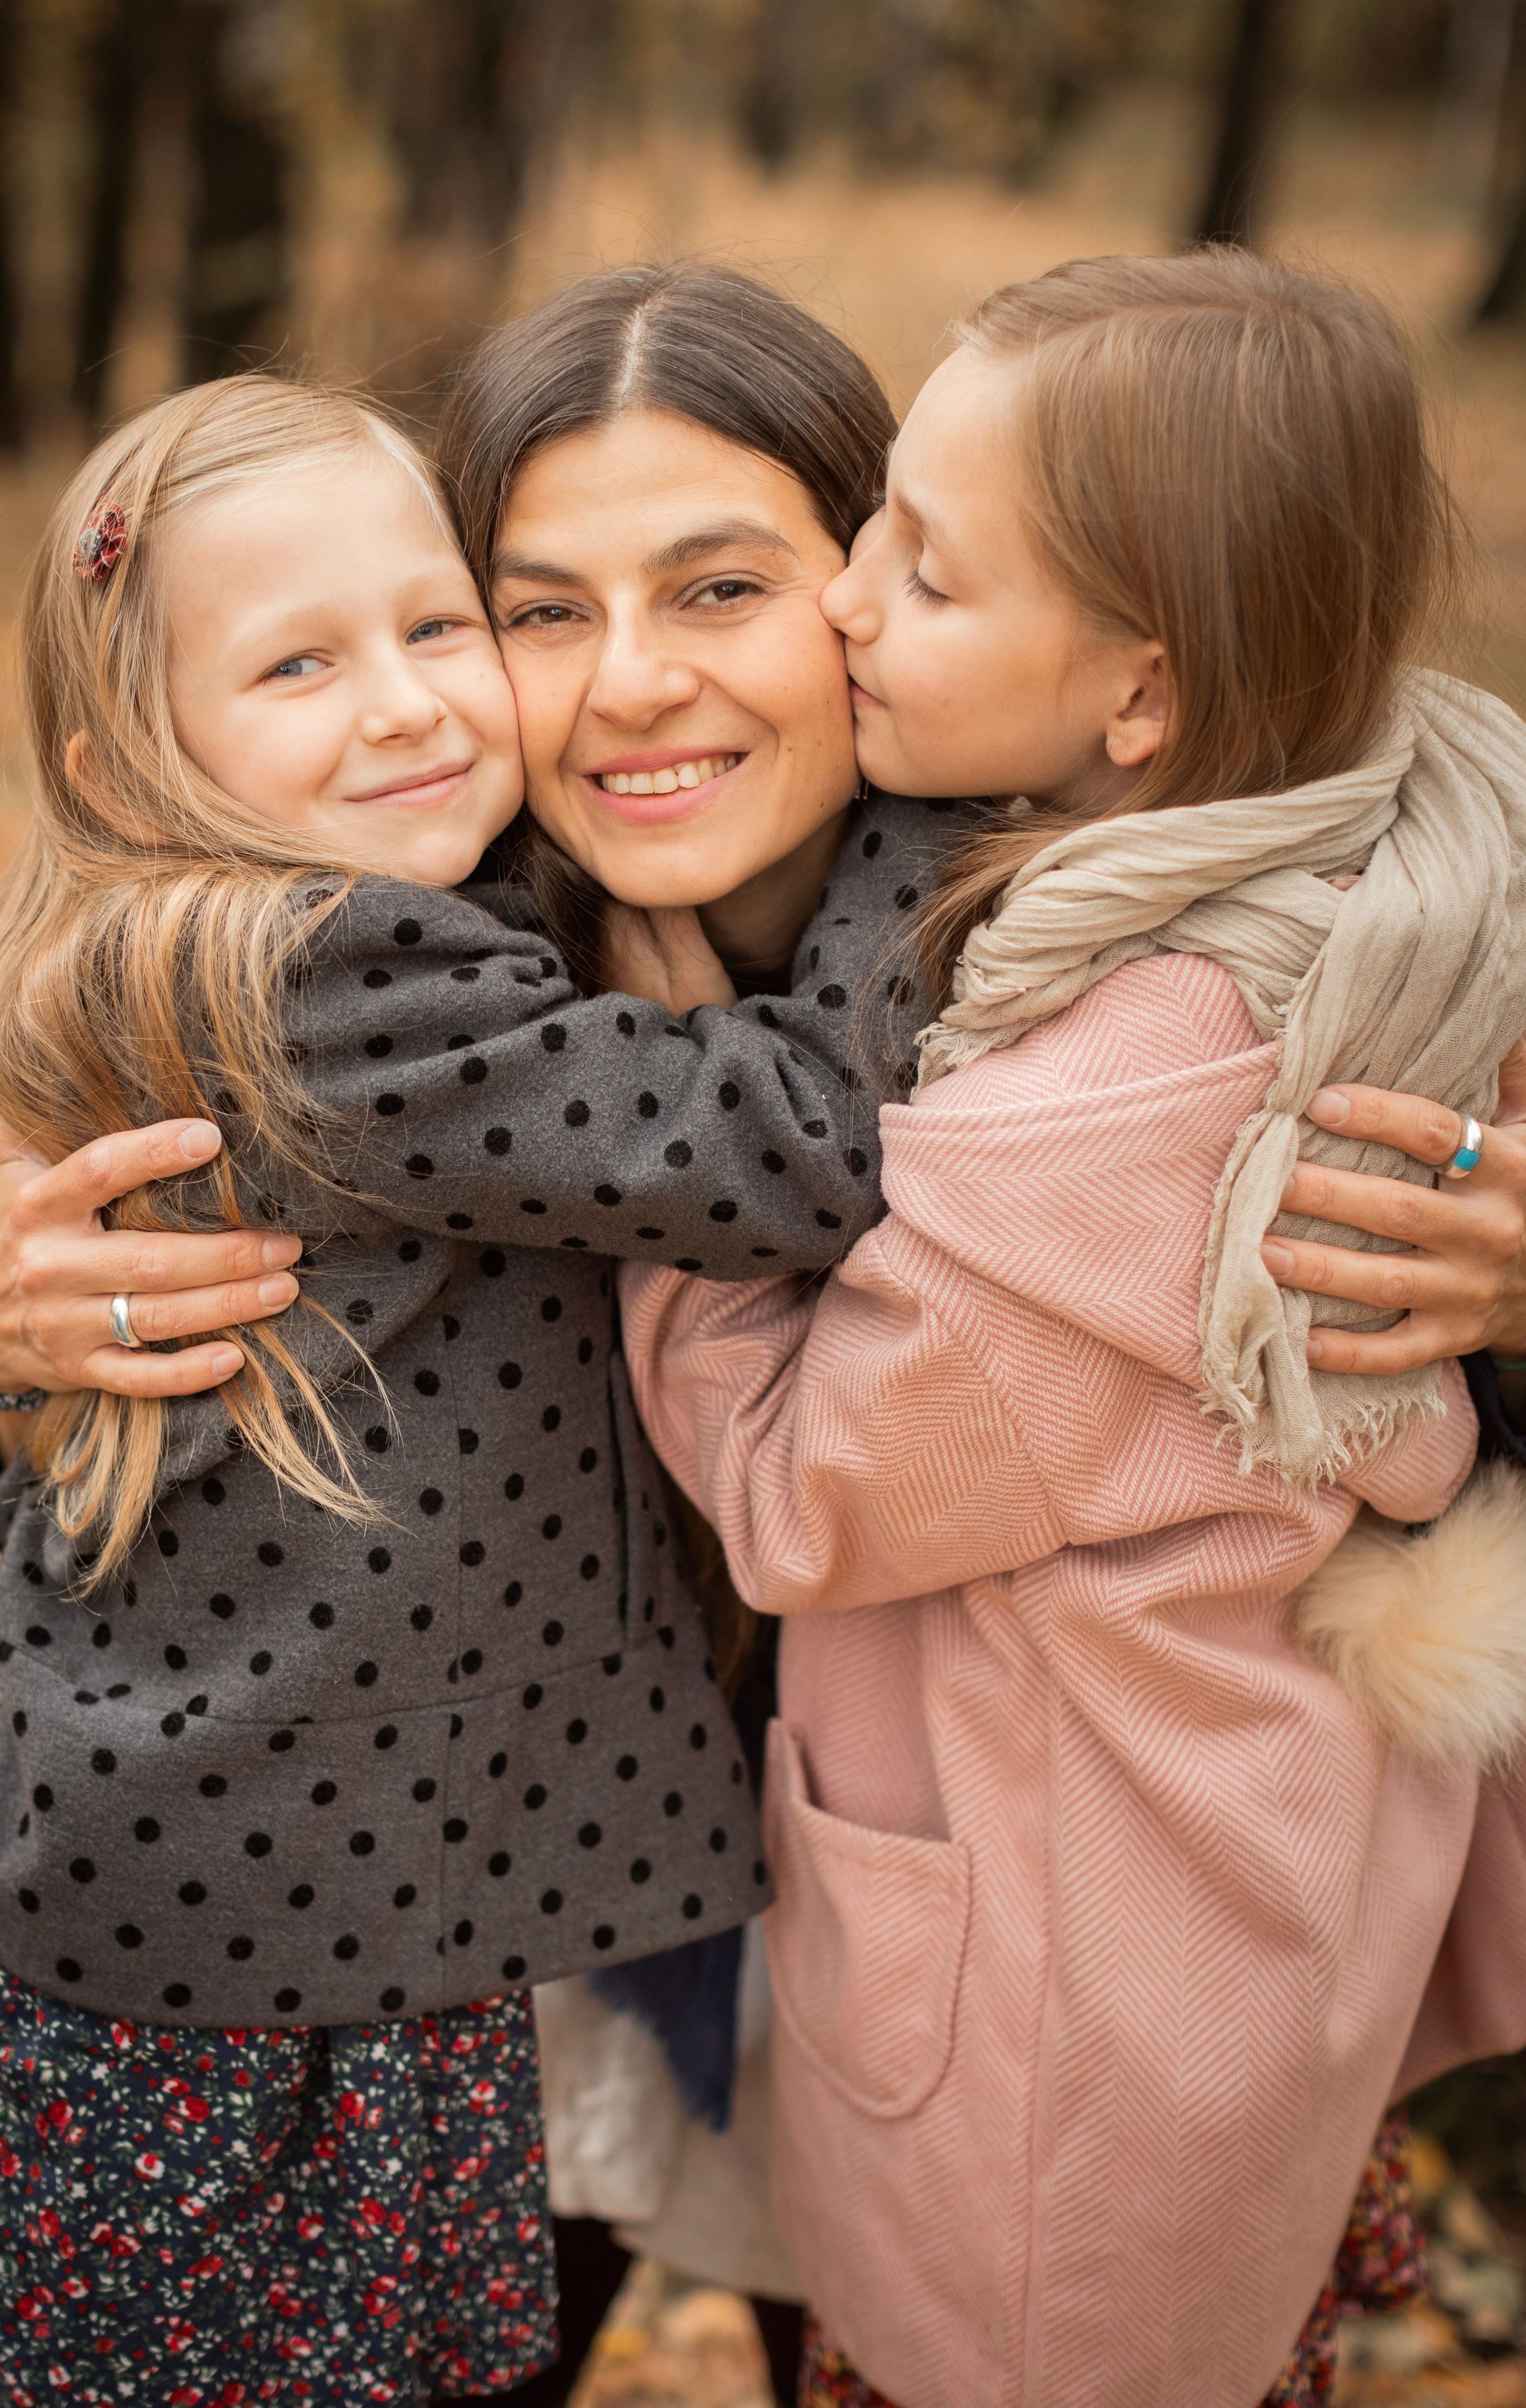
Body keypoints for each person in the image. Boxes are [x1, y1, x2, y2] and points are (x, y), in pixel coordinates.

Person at [0, 263, 1526, 2405]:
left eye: (722, 584)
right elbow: (176, 1444)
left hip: (1008, 1925)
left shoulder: (1120, 942)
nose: (629, 687)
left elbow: (1341, 1333)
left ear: (871, 584)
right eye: (540, 607)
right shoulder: (428, 926)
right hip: (487, 1908)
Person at [618, 248, 1526, 2408]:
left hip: (1072, 2070)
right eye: (870, 526)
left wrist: (664, 1173)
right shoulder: (1377, 899)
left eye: (922, 573)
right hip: (1230, 1945)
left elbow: (803, 1489)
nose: (844, 601)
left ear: (1138, 698)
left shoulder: (1104, 1131)